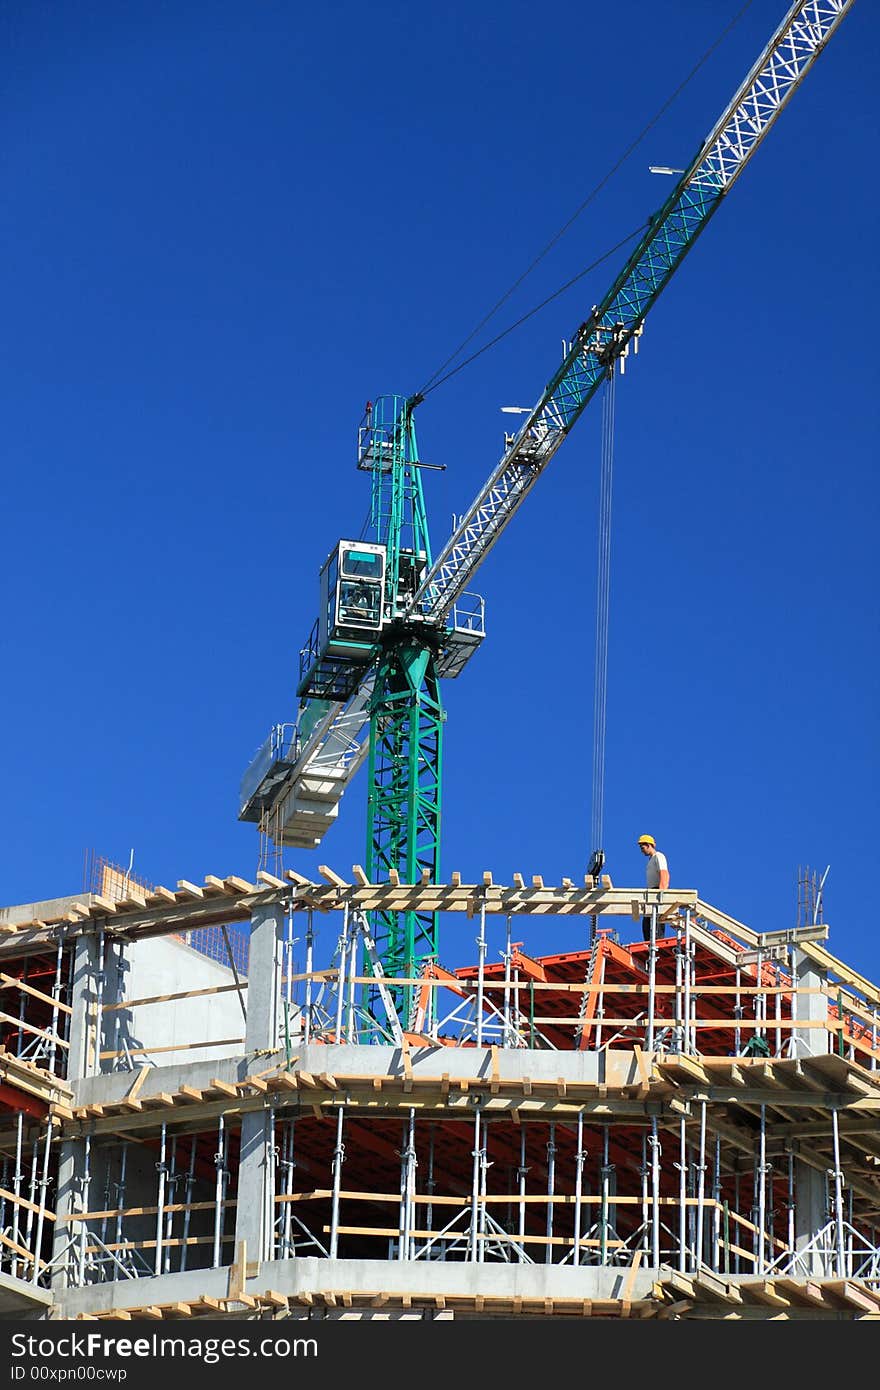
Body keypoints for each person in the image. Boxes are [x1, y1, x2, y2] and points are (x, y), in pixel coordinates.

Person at [638, 834, 669, 942]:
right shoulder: (651, 860)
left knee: (656, 921)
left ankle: (658, 943)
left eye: (642, 847)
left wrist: (661, 892)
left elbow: (664, 874)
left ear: (648, 845)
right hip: (652, 892)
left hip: (657, 891)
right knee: (647, 922)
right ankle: (648, 943)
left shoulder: (658, 856)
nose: (641, 850)